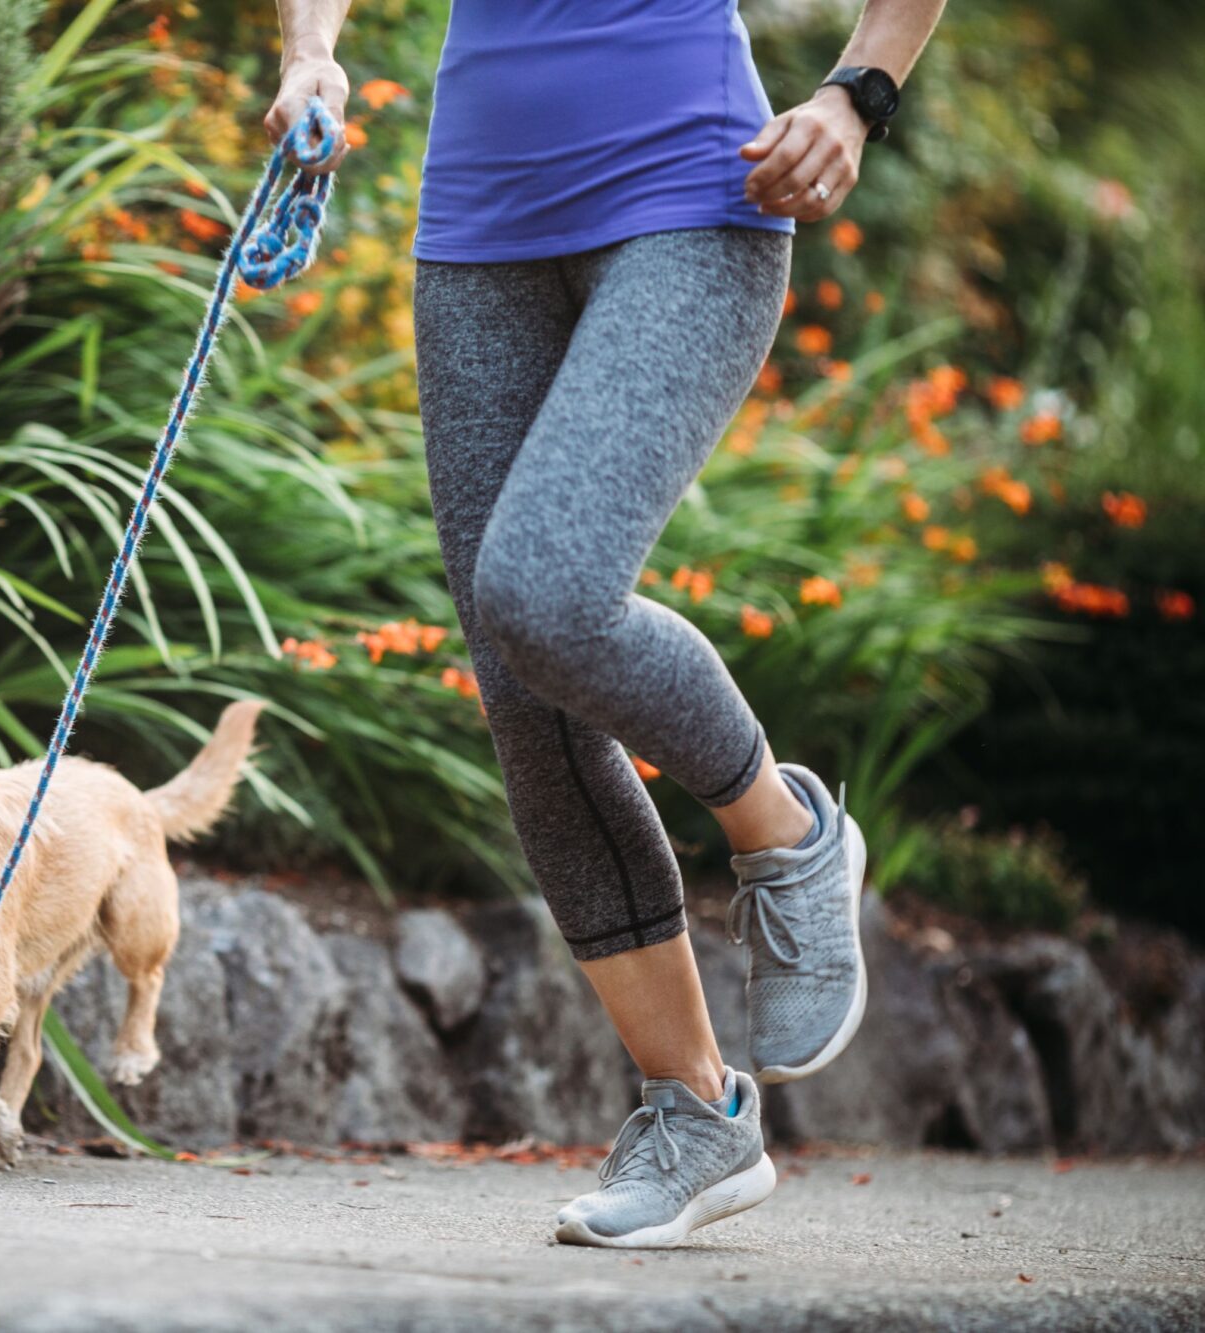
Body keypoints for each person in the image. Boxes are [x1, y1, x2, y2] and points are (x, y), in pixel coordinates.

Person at [266, 0, 946, 1247]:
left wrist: (859, 91)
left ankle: (785, 833)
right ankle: (696, 1113)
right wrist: (309, 53)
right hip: (476, 227)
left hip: (692, 196)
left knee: (545, 593)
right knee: (522, 696)